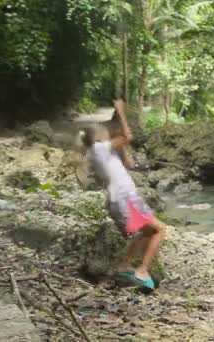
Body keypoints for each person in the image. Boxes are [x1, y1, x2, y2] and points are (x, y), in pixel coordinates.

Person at [79, 99, 166, 290]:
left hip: (119, 198)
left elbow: (129, 164)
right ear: (98, 138)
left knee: (146, 232)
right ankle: (142, 270)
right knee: (160, 230)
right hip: (126, 197)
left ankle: (124, 265)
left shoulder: (99, 152)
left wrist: (122, 146)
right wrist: (121, 112)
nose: (108, 133)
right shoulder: (99, 148)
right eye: (104, 132)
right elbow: (128, 136)